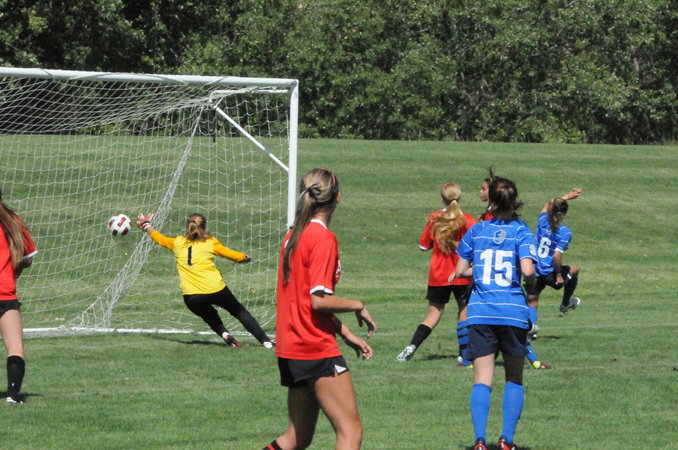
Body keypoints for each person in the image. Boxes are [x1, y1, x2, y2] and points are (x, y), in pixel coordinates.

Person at [264, 168, 376, 450]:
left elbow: (302, 301)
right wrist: (358, 305)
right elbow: (318, 301)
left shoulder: (293, 236)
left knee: (296, 439)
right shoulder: (322, 239)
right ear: (337, 197)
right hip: (314, 348)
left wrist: (345, 332)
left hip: (291, 348)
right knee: (350, 433)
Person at [451, 176, 538, 450]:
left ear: (491, 201)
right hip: (512, 312)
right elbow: (528, 270)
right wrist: (531, 284)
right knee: (514, 378)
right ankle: (506, 441)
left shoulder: (477, 231)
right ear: (515, 202)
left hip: (481, 313)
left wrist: (479, 271)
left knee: (482, 380)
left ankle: (479, 441)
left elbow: (459, 271)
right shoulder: (521, 232)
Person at [137, 212, 274, 348]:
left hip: (192, 296)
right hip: (216, 289)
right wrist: (244, 258)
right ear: (203, 227)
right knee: (238, 311)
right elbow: (231, 254)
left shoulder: (177, 243)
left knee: (210, 316)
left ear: (187, 227)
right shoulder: (209, 242)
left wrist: (146, 225)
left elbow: (158, 238)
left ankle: (225, 335)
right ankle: (266, 342)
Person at [396, 182, 475, 365]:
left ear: (442, 198)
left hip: (439, 274)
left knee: (432, 316)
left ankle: (411, 347)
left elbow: (423, 246)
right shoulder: (468, 220)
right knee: (464, 313)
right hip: (461, 274)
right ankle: (463, 354)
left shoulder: (434, 218)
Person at [0, 187, 37, 404]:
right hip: (6, 294)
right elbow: (28, 258)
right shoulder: (13, 220)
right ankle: (13, 396)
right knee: (15, 347)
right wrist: (12, 273)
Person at [527, 188, 584, 329]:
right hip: (550, 273)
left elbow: (549, 203)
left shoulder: (542, 221)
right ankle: (565, 303)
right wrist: (558, 275)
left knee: (532, 299)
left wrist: (568, 196)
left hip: (534, 269)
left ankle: (531, 328)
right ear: (564, 214)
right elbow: (557, 255)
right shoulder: (565, 232)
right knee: (575, 270)